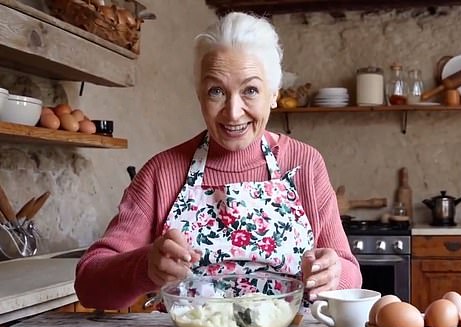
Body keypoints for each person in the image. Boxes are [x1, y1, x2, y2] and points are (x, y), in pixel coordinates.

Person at [74, 12, 362, 310]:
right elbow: (88, 285)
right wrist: (144, 267)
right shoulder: (162, 172)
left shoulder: (304, 163)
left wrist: (334, 273)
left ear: (274, 94)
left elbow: (351, 274)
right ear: (199, 94)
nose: (233, 112)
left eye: (250, 90)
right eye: (216, 92)